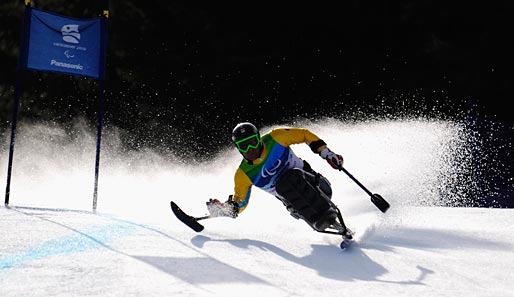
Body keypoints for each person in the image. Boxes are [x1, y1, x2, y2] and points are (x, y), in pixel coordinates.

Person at [206, 122, 351, 236]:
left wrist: (326, 153)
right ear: (238, 149)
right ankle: (329, 222)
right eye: (243, 146)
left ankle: (330, 216)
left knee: (290, 177)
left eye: (253, 142)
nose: (250, 149)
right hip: (299, 206)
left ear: (259, 139)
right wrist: (225, 209)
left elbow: (304, 134)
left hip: (319, 187)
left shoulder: (276, 138)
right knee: (285, 185)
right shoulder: (244, 174)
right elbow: (240, 203)